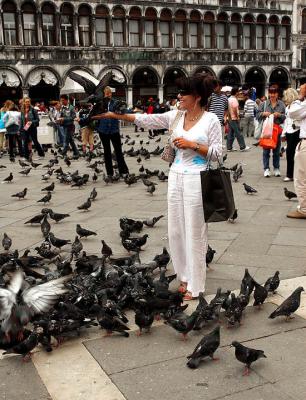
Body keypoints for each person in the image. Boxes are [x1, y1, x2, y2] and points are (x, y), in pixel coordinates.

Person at [93, 73, 222, 300]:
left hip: (197, 178)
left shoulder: (211, 120)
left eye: (184, 93)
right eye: (179, 92)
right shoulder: (176, 116)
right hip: (175, 175)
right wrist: (115, 114)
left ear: (198, 97)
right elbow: (147, 120)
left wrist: (193, 145)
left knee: (195, 231)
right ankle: (183, 276)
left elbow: (218, 154)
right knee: (175, 230)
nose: (179, 96)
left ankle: (196, 284)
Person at [96, 86, 129, 177]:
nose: (108, 95)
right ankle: (109, 172)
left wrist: (120, 110)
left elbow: (123, 111)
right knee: (107, 151)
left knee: (118, 150)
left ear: (111, 94)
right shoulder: (100, 103)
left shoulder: (116, 102)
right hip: (103, 130)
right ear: (104, 94)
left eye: (109, 93)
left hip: (114, 129)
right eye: (106, 94)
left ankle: (123, 171)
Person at [286, 83, 306, 219]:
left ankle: (304, 209)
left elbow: (292, 113)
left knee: (301, 177)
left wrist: (301, 97)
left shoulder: (302, 104)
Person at [257, 86, 286, 177]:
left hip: (277, 131)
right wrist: (263, 113)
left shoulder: (281, 104)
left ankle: (276, 168)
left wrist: (279, 115)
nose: (272, 95)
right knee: (266, 151)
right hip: (266, 131)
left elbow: (285, 117)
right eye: (271, 93)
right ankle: (266, 169)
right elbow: (257, 115)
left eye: (274, 93)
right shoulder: (264, 104)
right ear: (268, 93)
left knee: (276, 151)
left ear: (277, 94)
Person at [282, 88, 300, 182]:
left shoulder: (297, 105)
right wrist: (284, 133)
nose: (285, 99)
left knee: (293, 154)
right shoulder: (287, 107)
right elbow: (286, 121)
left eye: (286, 96)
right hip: (289, 131)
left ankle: (291, 174)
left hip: (296, 131)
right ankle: (290, 174)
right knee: (290, 154)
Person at [227, 87, 250, 152]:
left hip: (230, 118)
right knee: (238, 132)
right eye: (238, 92)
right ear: (236, 92)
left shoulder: (229, 99)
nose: (239, 93)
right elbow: (234, 109)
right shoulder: (234, 100)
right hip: (234, 118)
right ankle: (242, 146)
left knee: (231, 133)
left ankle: (229, 147)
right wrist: (237, 117)